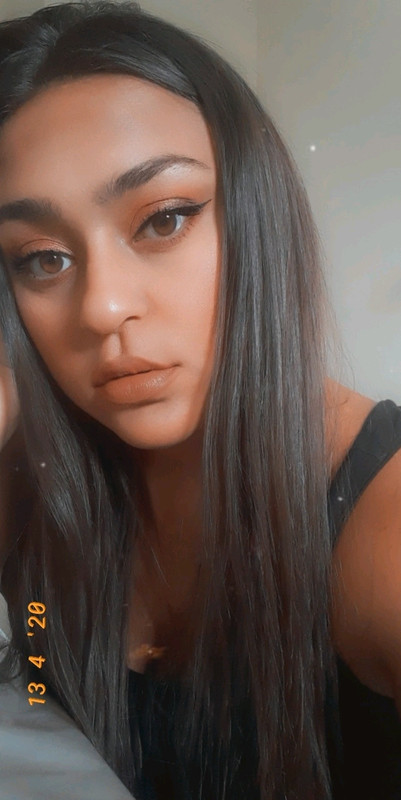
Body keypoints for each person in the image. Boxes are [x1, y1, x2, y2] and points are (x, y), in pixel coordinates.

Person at [0, 3, 400, 798]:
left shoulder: (378, 533)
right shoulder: (31, 500)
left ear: (258, 210)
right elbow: (36, 703)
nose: (103, 308)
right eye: (43, 258)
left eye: (165, 219)